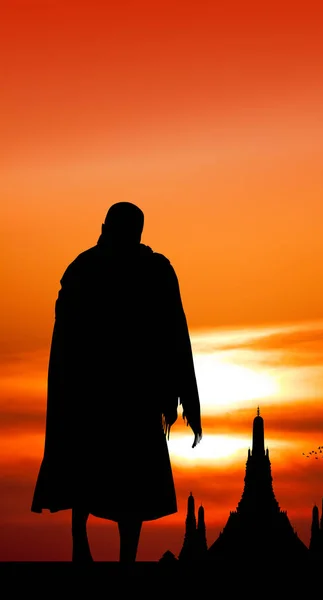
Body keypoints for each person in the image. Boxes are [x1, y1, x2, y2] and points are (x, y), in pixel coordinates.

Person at [31, 202, 202, 562]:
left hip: (127, 394)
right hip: (99, 391)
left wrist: (185, 396)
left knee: (123, 477)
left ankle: (106, 551)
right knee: (95, 470)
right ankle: (87, 543)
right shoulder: (90, 270)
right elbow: (67, 339)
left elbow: (174, 334)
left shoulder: (122, 270)